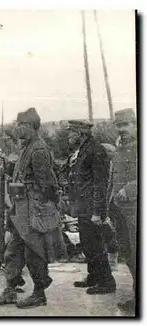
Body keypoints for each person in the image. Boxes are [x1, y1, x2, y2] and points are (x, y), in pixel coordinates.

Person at [0, 107, 60, 309]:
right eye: (18, 124)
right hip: (21, 209)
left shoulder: (38, 150)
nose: (18, 128)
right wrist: (8, 169)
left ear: (31, 126)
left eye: (22, 125)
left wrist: (33, 198)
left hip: (32, 209)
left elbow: (46, 183)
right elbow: (24, 172)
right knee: (13, 251)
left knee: (34, 253)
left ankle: (39, 294)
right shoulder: (27, 147)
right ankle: (10, 291)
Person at [66, 120, 116, 295]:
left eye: (71, 132)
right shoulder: (84, 150)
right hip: (84, 207)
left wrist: (97, 212)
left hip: (92, 209)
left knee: (95, 245)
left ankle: (107, 282)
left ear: (81, 133)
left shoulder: (95, 150)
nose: (68, 136)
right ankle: (94, 276)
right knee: (87, 244)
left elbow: (100, 184)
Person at [108, 108, 137, 312]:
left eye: (125, 125)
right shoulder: (120, 148)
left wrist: (130, 188)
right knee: (127, 253)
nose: (121, 129)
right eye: (118, 126)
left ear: (135, 124)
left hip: (137, 209)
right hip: (120, 210)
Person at [101, 142, 119, 271]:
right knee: (108, 232)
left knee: (113, 233)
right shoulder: (105, 166)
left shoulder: (117, 165)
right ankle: (111, 262)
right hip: (108, 203)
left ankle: (113, 262)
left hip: (117, 203)